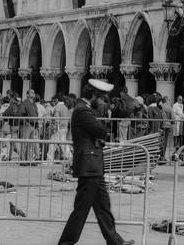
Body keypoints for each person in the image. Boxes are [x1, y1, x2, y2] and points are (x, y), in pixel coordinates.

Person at [57, 79, 134, 245]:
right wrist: (102, 117)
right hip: (89, 165)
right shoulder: (82, 111)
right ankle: (66, 242)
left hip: (93, 165)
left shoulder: (85, 109)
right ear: (93, 95)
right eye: (101, 98)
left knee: (103, 207)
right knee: (82, 208)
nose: (102, 102)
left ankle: (115, 241)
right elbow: (101, 130)